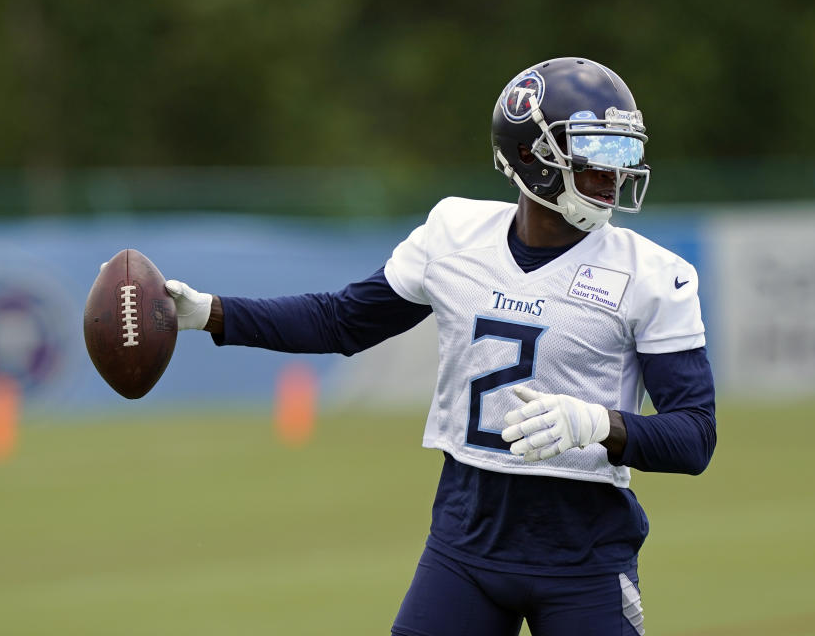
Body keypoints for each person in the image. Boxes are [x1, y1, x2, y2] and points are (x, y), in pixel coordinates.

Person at [165, 57, 716, 636]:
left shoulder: (653, 275)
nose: (614, 173)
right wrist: (210, 313)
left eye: (622, 154)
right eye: (596, 154)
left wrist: (601, 424)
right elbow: (341, 321)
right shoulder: (455, 235)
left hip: (585, 555)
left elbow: (695, 436)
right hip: (465, 543)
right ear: (530, 155)